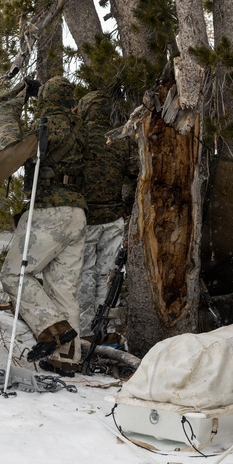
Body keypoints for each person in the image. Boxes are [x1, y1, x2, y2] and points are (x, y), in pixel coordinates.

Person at [0, 76, 87, 372]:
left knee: (13, 274)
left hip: (49, 209)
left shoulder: (46, 125)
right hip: (77, 212)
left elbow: (10, 146)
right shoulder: (80, 128)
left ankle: (53, 328)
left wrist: (11, 106)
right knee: (63, 288)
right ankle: (67, 358)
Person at [76, 91, 138, 346]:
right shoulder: (120, 139)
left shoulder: (79, 137)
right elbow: (136, 172)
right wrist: (127, 205)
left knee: (84, 274)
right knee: (109, 275)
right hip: (113, 217)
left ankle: (84, 330)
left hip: (85, 217)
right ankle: (109, 330)